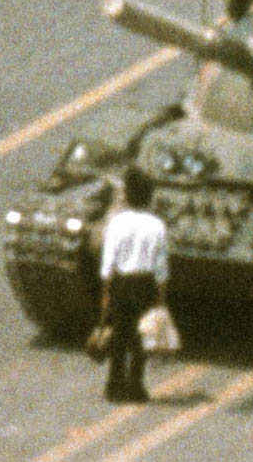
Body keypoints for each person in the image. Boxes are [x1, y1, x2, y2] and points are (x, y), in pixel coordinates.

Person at [99, 167, 169, 403]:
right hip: (145, 283)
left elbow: (108, 261)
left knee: (119, 334)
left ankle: (113, 385)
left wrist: (107, 292)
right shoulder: (157, 225)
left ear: (127, 196)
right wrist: (160, 297)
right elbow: (161, 267)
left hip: (121, 282)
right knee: (141, 337)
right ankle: (136, 386)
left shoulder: (117, 223)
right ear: (150, 197)